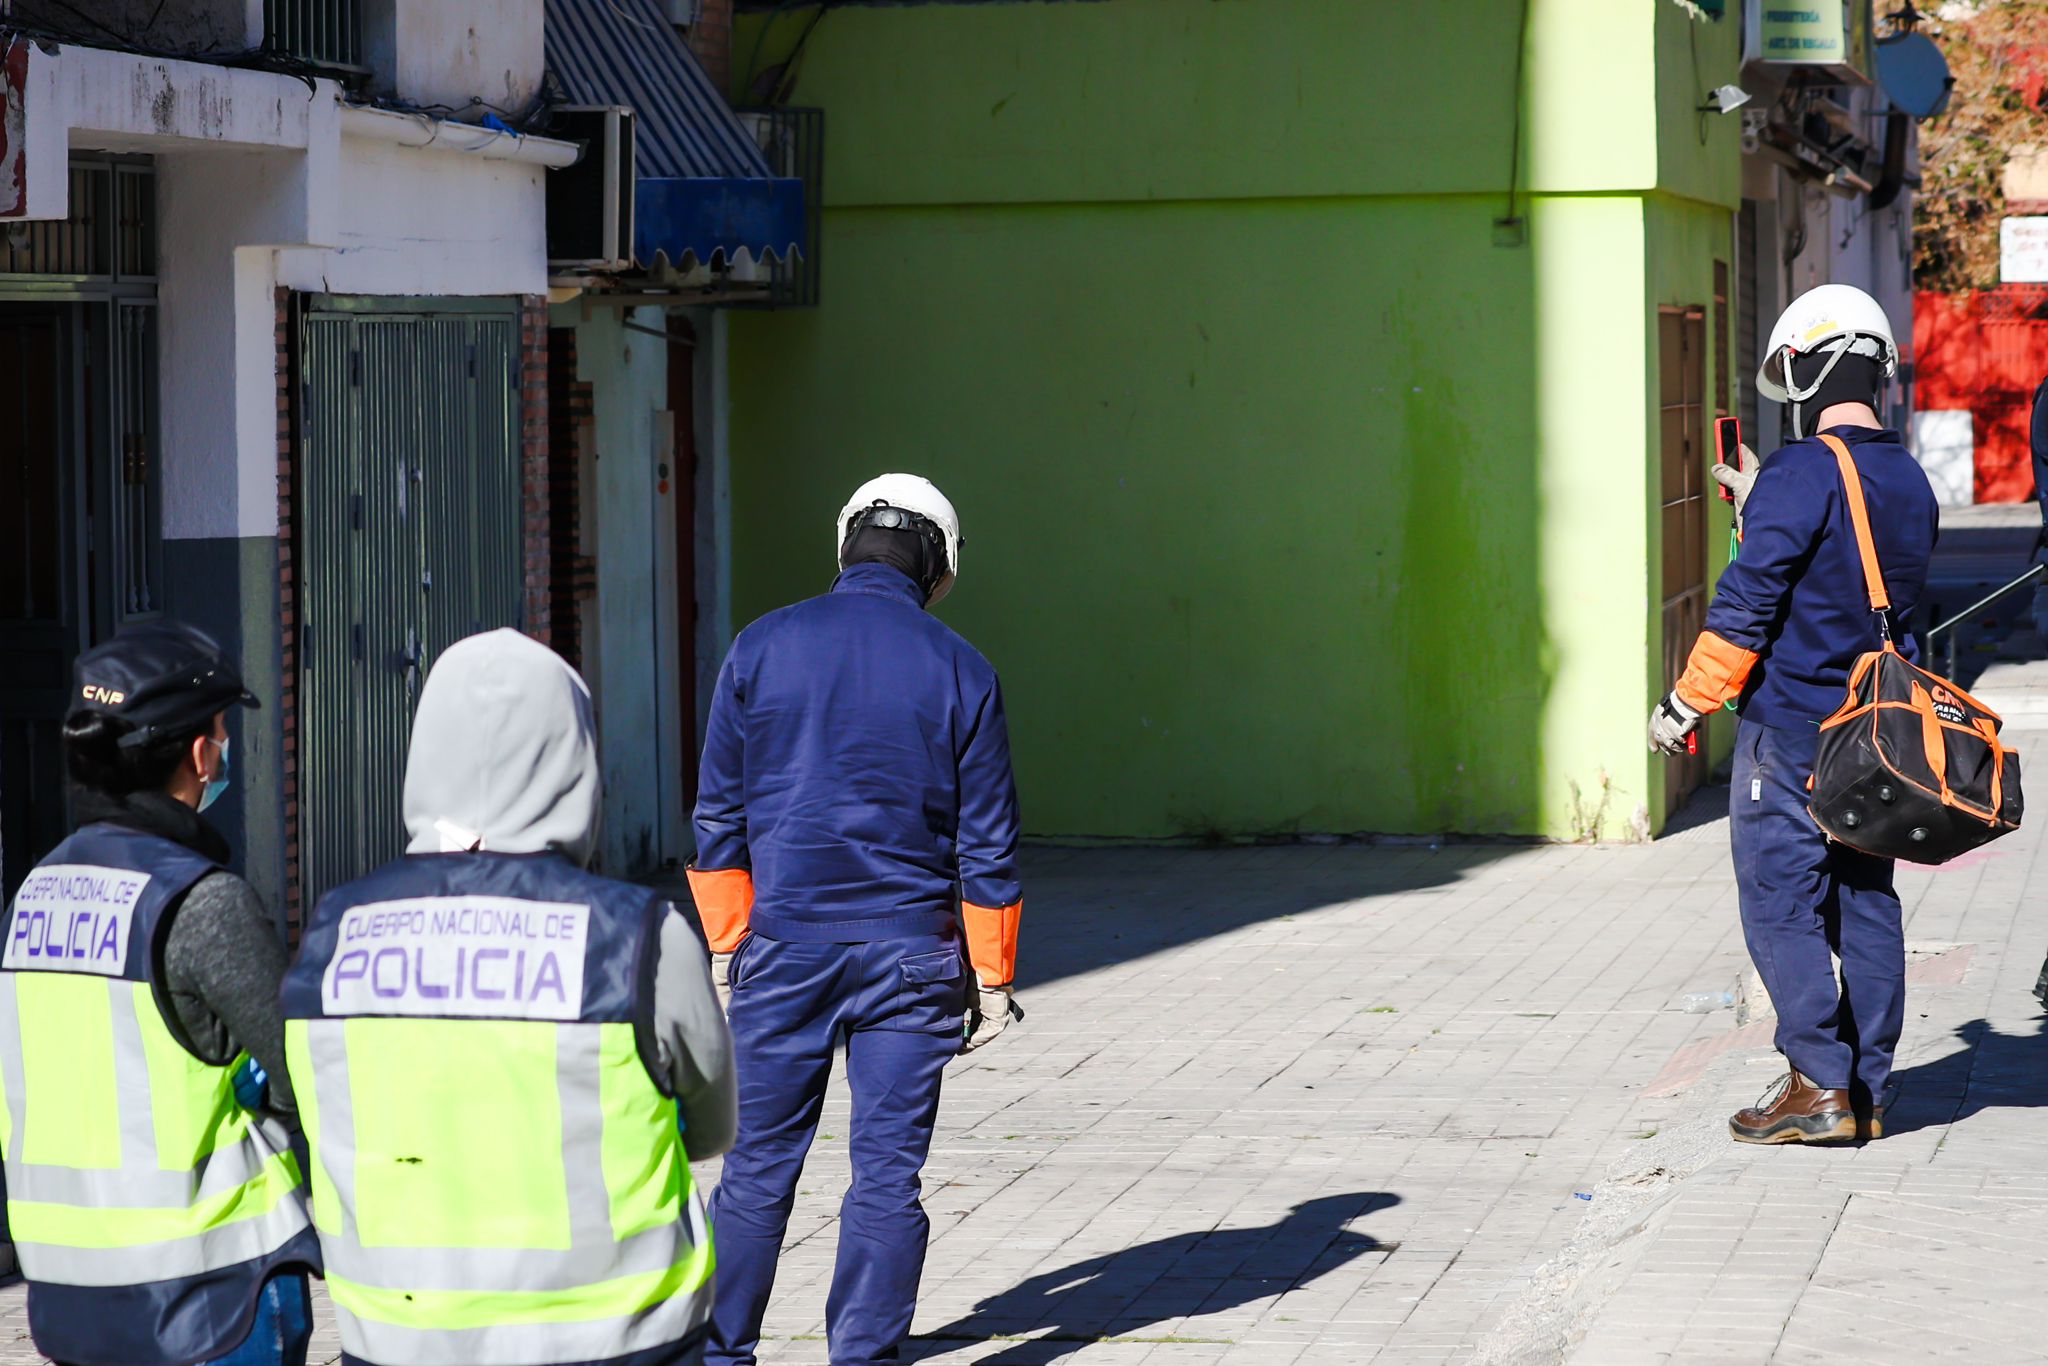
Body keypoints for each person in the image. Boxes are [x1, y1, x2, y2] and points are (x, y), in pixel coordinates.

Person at [279, 628, 735, 1366]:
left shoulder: (332, 936)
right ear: (576, 761)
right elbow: (712, 1125)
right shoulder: (638, 938)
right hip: (613, 1340)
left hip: (399, 1341)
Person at [690, 473, 1024, 1366]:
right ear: (938, 566)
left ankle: (722, 1354)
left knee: (756, 1172)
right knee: (885, 1178)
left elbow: (716, 819)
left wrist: (730, 945)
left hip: (784, 948)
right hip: (914, 960)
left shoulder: (759, 647)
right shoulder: (965, 669)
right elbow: (988, 846)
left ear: (844, 545)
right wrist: (992, 980)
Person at [1650, 283, 1938, 1145]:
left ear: (1806, 371)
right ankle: (1868, 1089)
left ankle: (1816, 1084)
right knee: (1867, 898)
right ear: (1877, 372)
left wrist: (1687, 700)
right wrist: (1762, 499)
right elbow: (1859, 579)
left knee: (1782, 902)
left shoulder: (1800, 472)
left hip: (1791, 734)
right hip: (1876, 738)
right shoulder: (1907, 477)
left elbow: (1747, 605)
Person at [0, 620, 319, 1366]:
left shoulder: (32, 897)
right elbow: (306, 1074)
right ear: (202, 754)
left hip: (67, 1292)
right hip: (213, 1300)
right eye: (220, 731)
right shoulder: (201, 901)